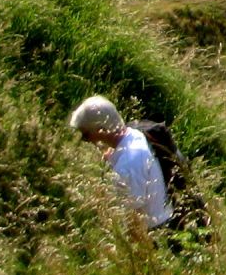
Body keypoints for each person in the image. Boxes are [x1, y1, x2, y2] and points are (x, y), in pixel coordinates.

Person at [68, 95, 172, 231]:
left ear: (100, 130)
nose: (85, 141)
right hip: (164, 218)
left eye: (86, 135)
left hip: (156, 233)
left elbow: (135, 220)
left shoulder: (128, 163)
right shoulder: (135, 134)